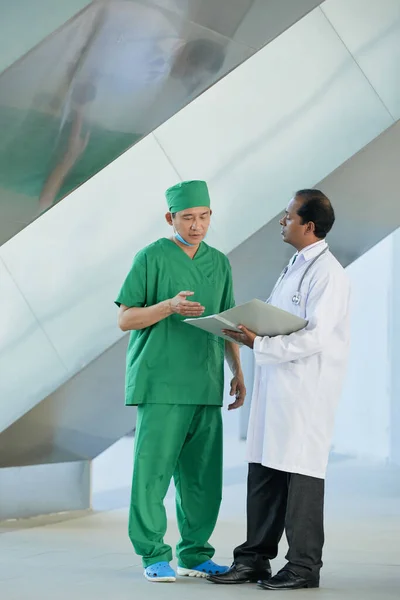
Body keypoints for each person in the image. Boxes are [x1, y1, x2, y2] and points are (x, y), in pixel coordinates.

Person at [208, 189, 351, 590]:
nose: (281, 221)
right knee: (265, 470)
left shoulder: (329, 274)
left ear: (309, 225)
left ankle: (304, 567)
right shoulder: (296, 264)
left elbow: (317, 336)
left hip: (305, 392)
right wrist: (252, 333)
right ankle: (254, 558)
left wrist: (261, 344)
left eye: (287, 216)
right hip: (278, 387)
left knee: (300, 474)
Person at [115, 180, 246, 583]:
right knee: (152, 472)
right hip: (161, 381)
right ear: (170, 218)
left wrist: (238, 371)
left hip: (205, 381)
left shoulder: (219, 262)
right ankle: (153, 554)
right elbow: (125, 318)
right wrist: (168, 307)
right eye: (188, 218)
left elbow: (226, 324)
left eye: (204, 217)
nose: (196, 225)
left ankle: (195, 553)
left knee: (202, 477)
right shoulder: (151, 257)